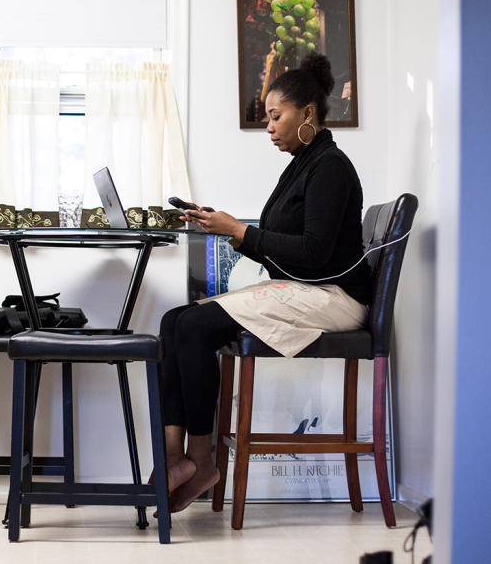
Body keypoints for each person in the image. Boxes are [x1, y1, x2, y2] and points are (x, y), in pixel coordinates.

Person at [157, 53, 372, 513]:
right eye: (268, 118)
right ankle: (173, 456)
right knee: (175, 321)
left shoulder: (330, 166)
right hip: (308, 288)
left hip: (335, 298)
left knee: (193, 328)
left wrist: (241, 231)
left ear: (307, 114)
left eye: (277, 116)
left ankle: (201, 459)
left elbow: (314, 253)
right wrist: (228, 231)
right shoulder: (301, 164)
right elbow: (287, 250)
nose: (269, 127)